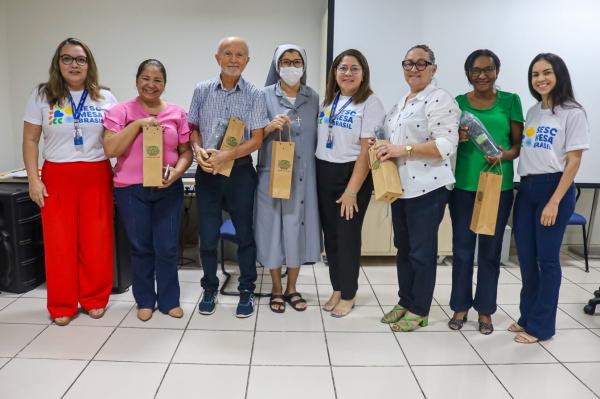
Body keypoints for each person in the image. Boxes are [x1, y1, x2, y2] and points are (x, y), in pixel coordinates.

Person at [22, 37, 117, 326]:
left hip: (96, 173)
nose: (74, 65)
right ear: (58, 64)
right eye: (67, 59)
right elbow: (30, 139)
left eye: (80, 59)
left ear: (89, 64)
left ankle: (94, 298)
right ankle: (62, 304)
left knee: (96, 240)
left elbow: (116, 139)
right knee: (59, 242)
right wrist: (33, 179)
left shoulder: (105, 97)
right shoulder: (41, 96)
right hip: (57, 176)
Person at [375, 44, 460, 331]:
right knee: (403, 248)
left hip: (428, 188)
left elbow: (446, 145)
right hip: (401, 188)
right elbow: (387, 137)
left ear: (433, 68)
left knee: (422, 251)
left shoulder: (440, 100)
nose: (413, 68)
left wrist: (403, 149)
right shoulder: (401, 103)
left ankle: (420, 308)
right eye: (408, 63)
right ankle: (405, 300)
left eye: (421, 63)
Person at [103, 59, 192, 321]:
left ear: (164, 84)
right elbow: (110, 149)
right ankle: (144, 300)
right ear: (137, 80)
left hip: (168, 188)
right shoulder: (121, 111)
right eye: (146, 78)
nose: (151, 85)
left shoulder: (177, 113)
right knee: (141, 247)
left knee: (166, 247)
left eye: (157, 80)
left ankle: (169, 300)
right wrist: (139, 124)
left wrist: (178, 172)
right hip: (131, 190)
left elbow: (185, 152)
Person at [511, 53, 589, 343]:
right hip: (527, 188)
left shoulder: (572, 112)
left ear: (559, 75)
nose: (540, 79)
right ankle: (526, 317)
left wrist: (555, 201)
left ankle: (542, 327)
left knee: (547, 261)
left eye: (547, 73)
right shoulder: (533, 111)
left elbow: (574, 161)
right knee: (527, 260)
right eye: (535, 74)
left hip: (553, 189)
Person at [189, 37, 268, 318]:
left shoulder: (255, 95)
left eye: (240, 55)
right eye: (228, 53)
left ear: (247, 61)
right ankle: (210, 286)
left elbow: (257, 139)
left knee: (245, 234)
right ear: (217, 57)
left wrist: (228, 155)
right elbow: (193, 128)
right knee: (207, 236)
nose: (234, 59)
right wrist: (198, 150)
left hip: (240, 172)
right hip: (208, 172)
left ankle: (246, 288)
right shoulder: (201, 90)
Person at [448, 50, 524, 335]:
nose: (482, 75)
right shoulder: (457, 103)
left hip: (497, 186)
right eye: (476, 70)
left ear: (497, 71)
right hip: (464, 187)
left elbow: (517, 146)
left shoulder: (511, 101)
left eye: (488, 69)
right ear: (468, 73)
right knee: (463, 250)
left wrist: (504, 156)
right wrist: (458, 136)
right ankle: (460, 306)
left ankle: (486, 311)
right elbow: (447, 142)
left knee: (491, 253)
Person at [317, 49, 385, 318]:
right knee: (331, 237)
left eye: (354, 68)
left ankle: (349, 294)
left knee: (347, 237)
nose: (347, 73)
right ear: (335, 72)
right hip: (324, 172)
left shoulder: (371, 102)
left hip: (352, 175)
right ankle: (337, 287)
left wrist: (351, 190)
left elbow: (366, 151)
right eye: (343, 68)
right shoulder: (329, 101)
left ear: (363, 73)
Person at [256, 44, 321, 313]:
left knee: (297, 229)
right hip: (272, 175)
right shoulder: (262, 96)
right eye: (285, 61)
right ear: (276, 65)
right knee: (273, 230)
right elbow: (252, 133)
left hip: (304, 177)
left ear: (304, 66)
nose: (291, 67)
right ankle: (276, 288)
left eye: (297, 62)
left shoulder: (313, 97)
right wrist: (268, 127)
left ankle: (293, 288)